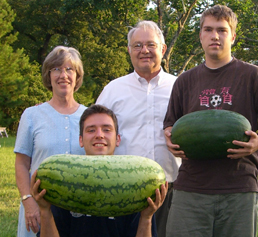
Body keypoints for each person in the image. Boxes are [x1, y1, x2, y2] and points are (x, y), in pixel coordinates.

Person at [163, 5, 258, 237]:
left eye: (222, 30)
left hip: (239, 186)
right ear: (200, 35)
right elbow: (170, 124)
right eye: (208, 29)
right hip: (191, 187)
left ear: (233, 36)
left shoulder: (252, 75)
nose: (215, 36)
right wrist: (170, 138)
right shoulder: (185, 81)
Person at [96, 20, 181, 237]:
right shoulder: (113, 90)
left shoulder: (180, 86)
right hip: (122, 190)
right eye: (137, 45)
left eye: (151, 45)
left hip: (171, 188)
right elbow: (95, 134)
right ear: (129, 51)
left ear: (162, 49)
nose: (144, 50)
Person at [30, 104, 168, 237]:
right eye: (91, 130)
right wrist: (45, 210)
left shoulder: (137, 182)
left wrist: (146, 217)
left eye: (107, 129)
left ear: (118, 139)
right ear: (81, 140)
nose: (99, 135)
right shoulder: (62, 179)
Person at [14, 46, 86, 237]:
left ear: (77, 75)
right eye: (57, 69)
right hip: (39, 206)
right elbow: (21, 164)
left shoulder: (89, 116)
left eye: (69, 69)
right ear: (49, 75)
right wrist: (28, 201)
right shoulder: (31, 115)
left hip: (79, 210)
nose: (64, 75)